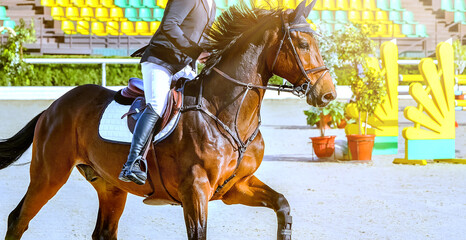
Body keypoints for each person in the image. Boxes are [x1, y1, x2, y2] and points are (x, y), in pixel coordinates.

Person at [119, 0, 216, 185]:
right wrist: (196, 51)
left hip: (185, 64)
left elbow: (203, 37)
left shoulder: (212, 4)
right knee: (158, 103)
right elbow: (169, 25)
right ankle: (132, 163)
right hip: (161, 60)